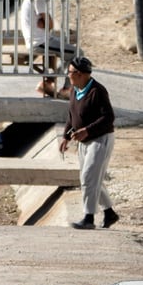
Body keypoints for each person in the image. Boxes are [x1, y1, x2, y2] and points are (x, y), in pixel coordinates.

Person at [58, 56, 119, 230]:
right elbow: (72, 116)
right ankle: (109, 213)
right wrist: (66, 136)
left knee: (88, 177)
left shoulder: (97, 91)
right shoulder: (74, 90)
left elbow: (108, 118)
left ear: (79, 74)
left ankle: (89, 218)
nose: (68, 76)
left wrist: (87, 130)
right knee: (93, 178)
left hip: (100, 140)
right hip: (83, 142)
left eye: (70, 72)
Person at [19, 0, 78, 98]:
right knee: (77, 54)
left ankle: (49, 82)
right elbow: (49, 25)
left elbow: (47, 24)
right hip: (39, 42)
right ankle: (66, 89)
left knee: (70, 54)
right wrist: (47, 22)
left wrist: (46, 22)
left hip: (43, 40)